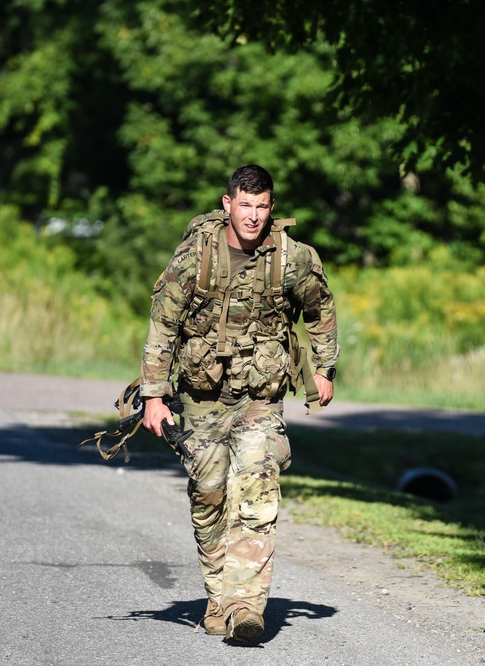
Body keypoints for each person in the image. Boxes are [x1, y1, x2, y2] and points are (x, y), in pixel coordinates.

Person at [139, 164, 339, 643]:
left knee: (256, 489)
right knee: (209, 492)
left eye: (262, 206)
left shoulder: (293, 257)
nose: (253, 216)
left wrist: (324, 368)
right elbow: (163, 325)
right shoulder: (195, 256)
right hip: (202, 396)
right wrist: (153, 395)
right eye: (245, 205)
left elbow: (320, 307)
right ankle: (219, 598)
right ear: (228, 204)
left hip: (261, 398)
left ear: (272, 208)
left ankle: (247, 608)